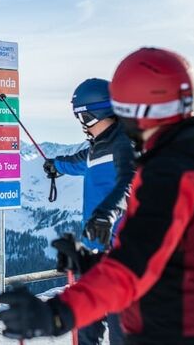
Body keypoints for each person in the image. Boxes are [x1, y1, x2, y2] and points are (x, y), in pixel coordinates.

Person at [0, 47, 194, 345]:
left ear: (139, 111)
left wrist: (56, 315)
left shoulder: (172, 178)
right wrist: (94, 265)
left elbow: (131, 271)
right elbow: (169, 259)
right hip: (187, 328)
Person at [43, 78, 135, 344]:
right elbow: (76, 163)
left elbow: (128, 183)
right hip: (92, 254)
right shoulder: (98, 147)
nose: (82, 124)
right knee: (86, 329)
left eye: (83, 117)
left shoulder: (125, 145)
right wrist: (55, 166)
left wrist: (108, 214)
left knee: (122, 333)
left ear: (98, 113)